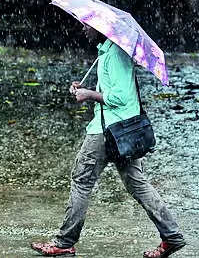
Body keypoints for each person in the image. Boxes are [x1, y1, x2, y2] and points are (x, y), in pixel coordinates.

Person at [31, 24, 186, 258]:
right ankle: (172, 236)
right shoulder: (107, 52)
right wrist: (85, 88)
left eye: (87, 25)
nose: (83, 28)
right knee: (137, 184)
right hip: (124, 131)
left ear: (100, 28)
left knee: (82, 181)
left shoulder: (114, 54)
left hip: (109, 130)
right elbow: (115, 90)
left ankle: (65, 242)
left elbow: (120, 97)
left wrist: (89, 95)